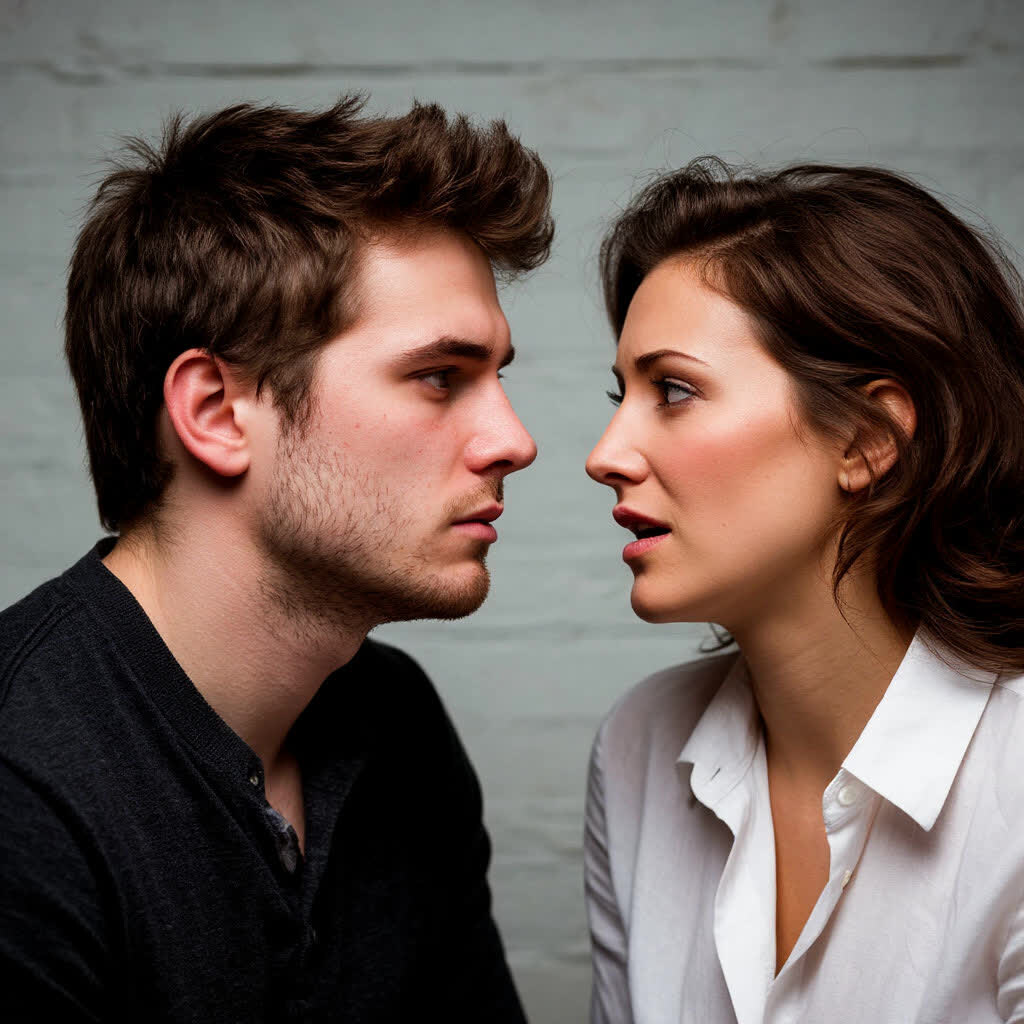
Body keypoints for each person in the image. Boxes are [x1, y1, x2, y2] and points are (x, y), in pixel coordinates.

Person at [0, 96, 553, 1021]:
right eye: (438, 377)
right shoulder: (22, 785)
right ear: (217, 413)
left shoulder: (398, 726)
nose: (514, 440)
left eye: (497, 376)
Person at [583, 158, 1024, 1024]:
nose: (606, 455)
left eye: (673, 390)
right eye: (620, 393)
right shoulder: (639, 747)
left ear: (865, 438)